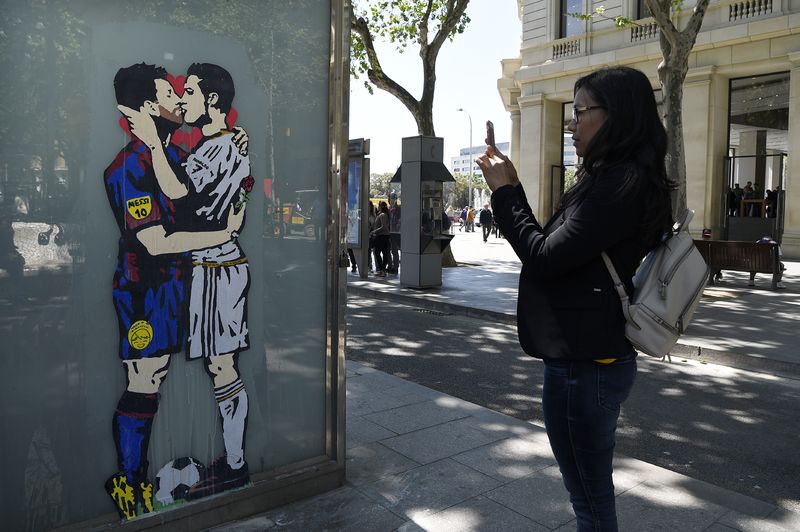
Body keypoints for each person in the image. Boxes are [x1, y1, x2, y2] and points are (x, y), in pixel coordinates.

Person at [476, 66, 674, 531]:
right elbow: (555, 248)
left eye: (581, 111)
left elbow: (543, 257)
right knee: (589, 496)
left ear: (616, 115)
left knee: (590, 502)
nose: (571, 123)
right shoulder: (617, 179)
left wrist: (504, 193)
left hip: (585, 368)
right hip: (590, 359)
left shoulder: (619, 184)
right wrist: (513, 188)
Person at [104, 63, 245, 519]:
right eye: (170, 93)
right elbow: (155, 241)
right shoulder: (128, 167)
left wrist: (234, 144)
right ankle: (130, 483)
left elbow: (196, 198)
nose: (179, 99)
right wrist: (223, 234)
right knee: (145, 377)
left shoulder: (177, 157)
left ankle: (228, 463)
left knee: (203, 366)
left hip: (184, 283)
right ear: (149, 107)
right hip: (144, 290)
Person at [371, 201, 391, 277]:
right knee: (384, 253)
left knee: (377, 252)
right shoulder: (384, 214)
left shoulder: (382, 215)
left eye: (379, 206)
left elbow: (384, 226)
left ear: (380, 207)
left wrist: (374, 231)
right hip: (384, 236)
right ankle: (382, 270)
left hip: (381, 236)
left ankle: (382, 270)